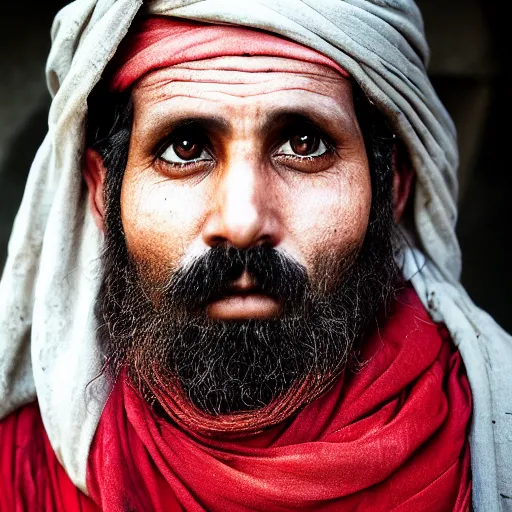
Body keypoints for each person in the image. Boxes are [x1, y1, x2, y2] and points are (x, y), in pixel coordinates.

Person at [0, 1, 510, 510]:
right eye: (184, 148)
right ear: (101, 193)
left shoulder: (493, 428)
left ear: (392, 188)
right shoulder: (21, 470)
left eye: (305, 144)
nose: (242, 222)